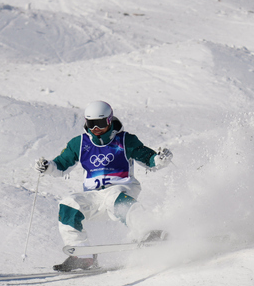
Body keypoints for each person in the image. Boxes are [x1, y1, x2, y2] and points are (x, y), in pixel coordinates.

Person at [35, 100, 172, 271]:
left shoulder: (125, 140)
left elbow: (149, 159)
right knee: (68, 203)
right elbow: (61, 165)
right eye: (91, 123)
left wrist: (159, 159)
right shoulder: (80, 143)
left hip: (122, 188)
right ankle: (82, 256)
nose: (95, 128)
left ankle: (149, 231)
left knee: (113, 197)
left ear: (109, 120)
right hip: (95, 196)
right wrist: (48, 167)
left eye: (100, 123)